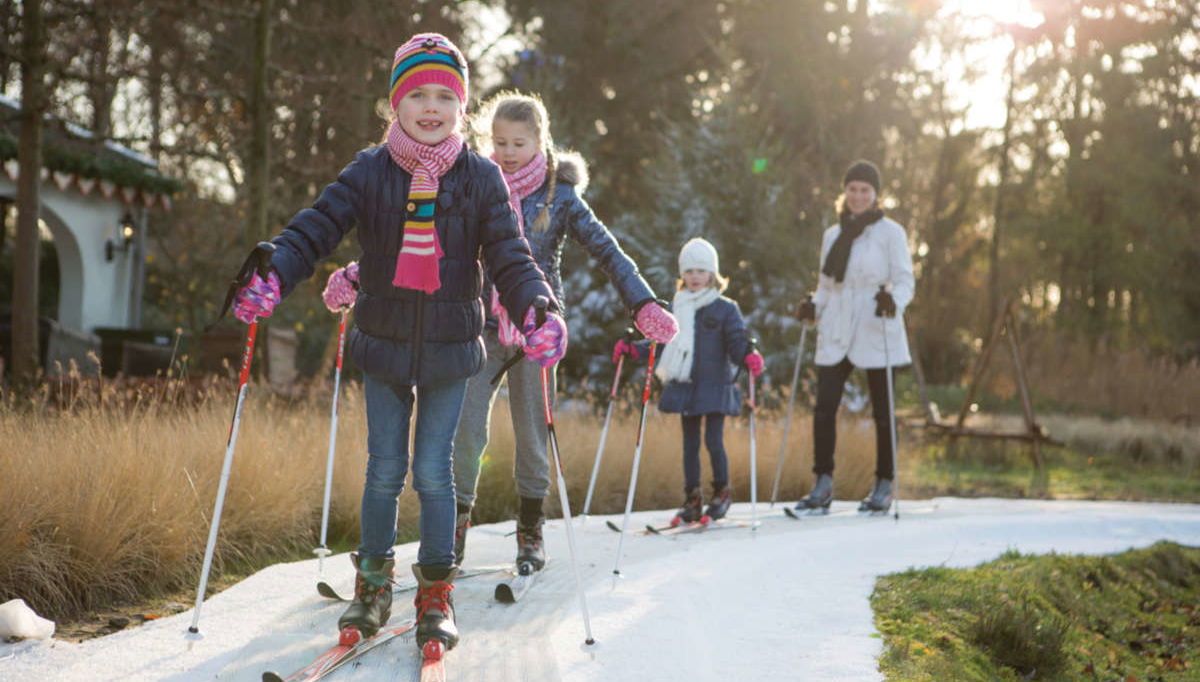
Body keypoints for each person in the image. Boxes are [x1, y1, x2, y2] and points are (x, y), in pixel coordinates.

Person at [230, 33, 564, 652]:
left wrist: (536, 305)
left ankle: (436, 589)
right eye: (417, 95)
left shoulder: (482, 177)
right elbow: (317, 226)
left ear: (461, 107)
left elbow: (512, 257)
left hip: (450, 348)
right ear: (395, 104)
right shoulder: (369, 171)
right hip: (381, 343)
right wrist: (276, 268)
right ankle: (374, 583)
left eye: (444, 95)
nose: (431, 107)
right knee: (383, 471)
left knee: (435, 472)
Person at [451, 91, 678, 569]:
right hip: (482, 327)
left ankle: (530, 531)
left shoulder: (560, 196)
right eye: (500, 142)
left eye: (518, 142)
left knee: (532, 436)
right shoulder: (478, 183)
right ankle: (452, 529)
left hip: (537, 332)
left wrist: (641, 302)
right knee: (467, 430)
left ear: (540, 140)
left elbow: (608, 250)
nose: (508, 152)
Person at [793, 159, 914, 514]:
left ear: (875, 195)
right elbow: (826, 285)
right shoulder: (833, 234)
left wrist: (895, 300)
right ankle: (823, 483)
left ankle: (884, 484)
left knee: (883, 411)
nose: (858, 196)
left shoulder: (891, 233)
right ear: (844, 193)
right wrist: (812, 306)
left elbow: (905, 279)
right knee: (824, 407)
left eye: (865, 190)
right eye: (852, 189)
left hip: (876, 324)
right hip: (837, 327)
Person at [614, 237, 763, 524]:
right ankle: (692, 498)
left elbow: (736, 342)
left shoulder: (725, 308)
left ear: (713, 274)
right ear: (682, 274)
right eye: (689, 271)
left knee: (713, 440)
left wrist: (748, 355)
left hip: (716, 385)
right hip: (686, 386)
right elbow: (661, 342)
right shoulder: (676, 308)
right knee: (690, 443)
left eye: (701, 271)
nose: (695, 277)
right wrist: (634, 349)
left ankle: (721, 493)